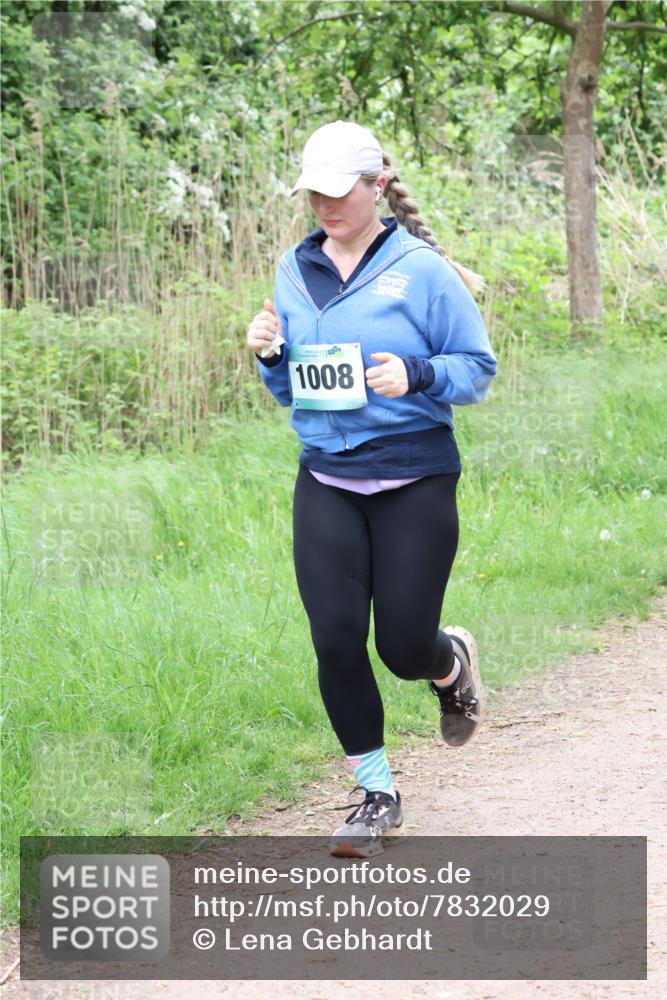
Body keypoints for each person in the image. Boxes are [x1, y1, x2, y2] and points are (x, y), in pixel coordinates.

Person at [246, 120, 497, 859]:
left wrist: (416, 374)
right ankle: (376, 795)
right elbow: (292, 390)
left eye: (338, 191)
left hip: (414, 475)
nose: (324, 205)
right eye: (313, 193)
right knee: (334, 638)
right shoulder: (294, 270)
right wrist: (271, 357)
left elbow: (476, 369)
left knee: (402, 646)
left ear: (376, 185)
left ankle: (449, 662)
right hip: (326, 477)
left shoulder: (421, 269)